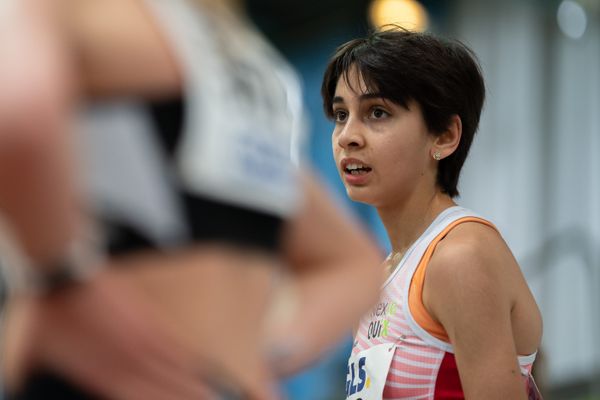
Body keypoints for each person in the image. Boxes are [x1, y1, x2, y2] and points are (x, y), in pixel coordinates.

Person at [0, 0, 383, 398]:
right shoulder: (227, 52)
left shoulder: (197, 42)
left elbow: (351, 263)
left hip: (122, 376)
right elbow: (18, 120)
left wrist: (61, 281)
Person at [321, 28, 543, 399]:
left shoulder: (459, 258)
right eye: (341, 115)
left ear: (443, 136)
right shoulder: (381, 276)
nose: (347, 136)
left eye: (377, 112)